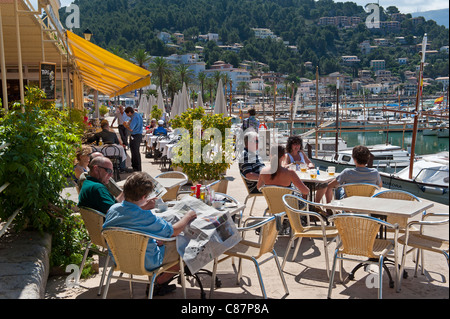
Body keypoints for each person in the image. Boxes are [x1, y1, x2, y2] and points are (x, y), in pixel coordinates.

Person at [103, 172, 197, 295]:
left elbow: (129, 217)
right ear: (144, 197)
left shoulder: (113, 209)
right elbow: (174, 231)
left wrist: (142, 207)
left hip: (119, 259)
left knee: (158, 241)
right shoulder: (146, 218)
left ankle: (158, 282)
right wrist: (188, 216)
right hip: (146, 262)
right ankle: (160, 280)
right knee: (187, 247)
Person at [282, 135, 329, 203]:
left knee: (324, 185)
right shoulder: (288, 156)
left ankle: (316, 204)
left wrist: (310, 166)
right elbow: (284, 167)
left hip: (306, 179)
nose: (297, 146)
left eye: (298, 144)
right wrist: (295, 163)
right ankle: (305, 205)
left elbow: (311, 164)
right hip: (295, 182)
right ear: (290, 145)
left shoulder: (301, 153)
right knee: (305, 189)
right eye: (295, 144)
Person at [124, 106, 144, 172]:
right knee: (136, 152)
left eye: (127, 114)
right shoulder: (138, 115)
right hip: (138, 135)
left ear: (130, 112)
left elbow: (131, 128)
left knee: (135, 152)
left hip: (135, 135)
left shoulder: (134, 117)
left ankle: (136, 168)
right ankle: (137, 167)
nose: (127, 115)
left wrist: (125, 126)